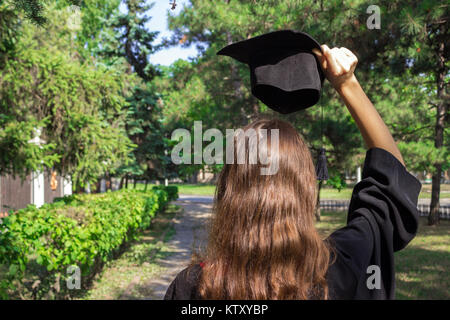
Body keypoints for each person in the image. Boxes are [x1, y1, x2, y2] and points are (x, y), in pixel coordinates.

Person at [164, 45, 422, 300]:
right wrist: (347, 83)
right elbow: (391, 184)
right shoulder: (341, 267)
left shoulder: (194, 287)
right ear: (304, 188)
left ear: (228, 191)